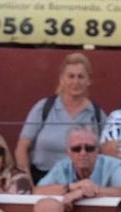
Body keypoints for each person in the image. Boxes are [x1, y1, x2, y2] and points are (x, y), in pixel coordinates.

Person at [15, 53, 105, 181]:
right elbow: (22, 148)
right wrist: (28, 183)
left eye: (80, 77)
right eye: (71, 76)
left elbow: (107, 154)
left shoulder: (97, 114)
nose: (75, 82)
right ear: (62, 79)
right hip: (41, 178)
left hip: (83, 182)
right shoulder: (43, 108)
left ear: (88, 81)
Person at [36, 124, 121, 201]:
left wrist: (81, 193)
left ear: (98, 150)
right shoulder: (62, 167)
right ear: (68, 152)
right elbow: (37, 191)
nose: (83, 153)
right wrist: (72, 187)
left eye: (89, 148)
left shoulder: (114, 165)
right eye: (76, 149)